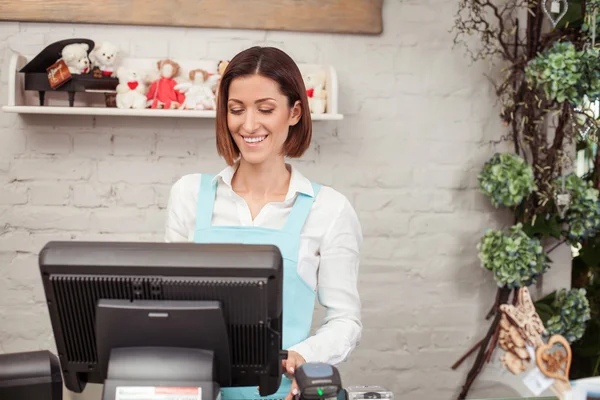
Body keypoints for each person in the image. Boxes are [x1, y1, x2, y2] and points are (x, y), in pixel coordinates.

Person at [164, 46, 363, 400]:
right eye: (236, 110)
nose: (249, 125)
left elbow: (346, 320)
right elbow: (167, 305)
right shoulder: (188, 195)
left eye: (266, 109)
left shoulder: (328, 209)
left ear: (294, 111)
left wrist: (307, 355)